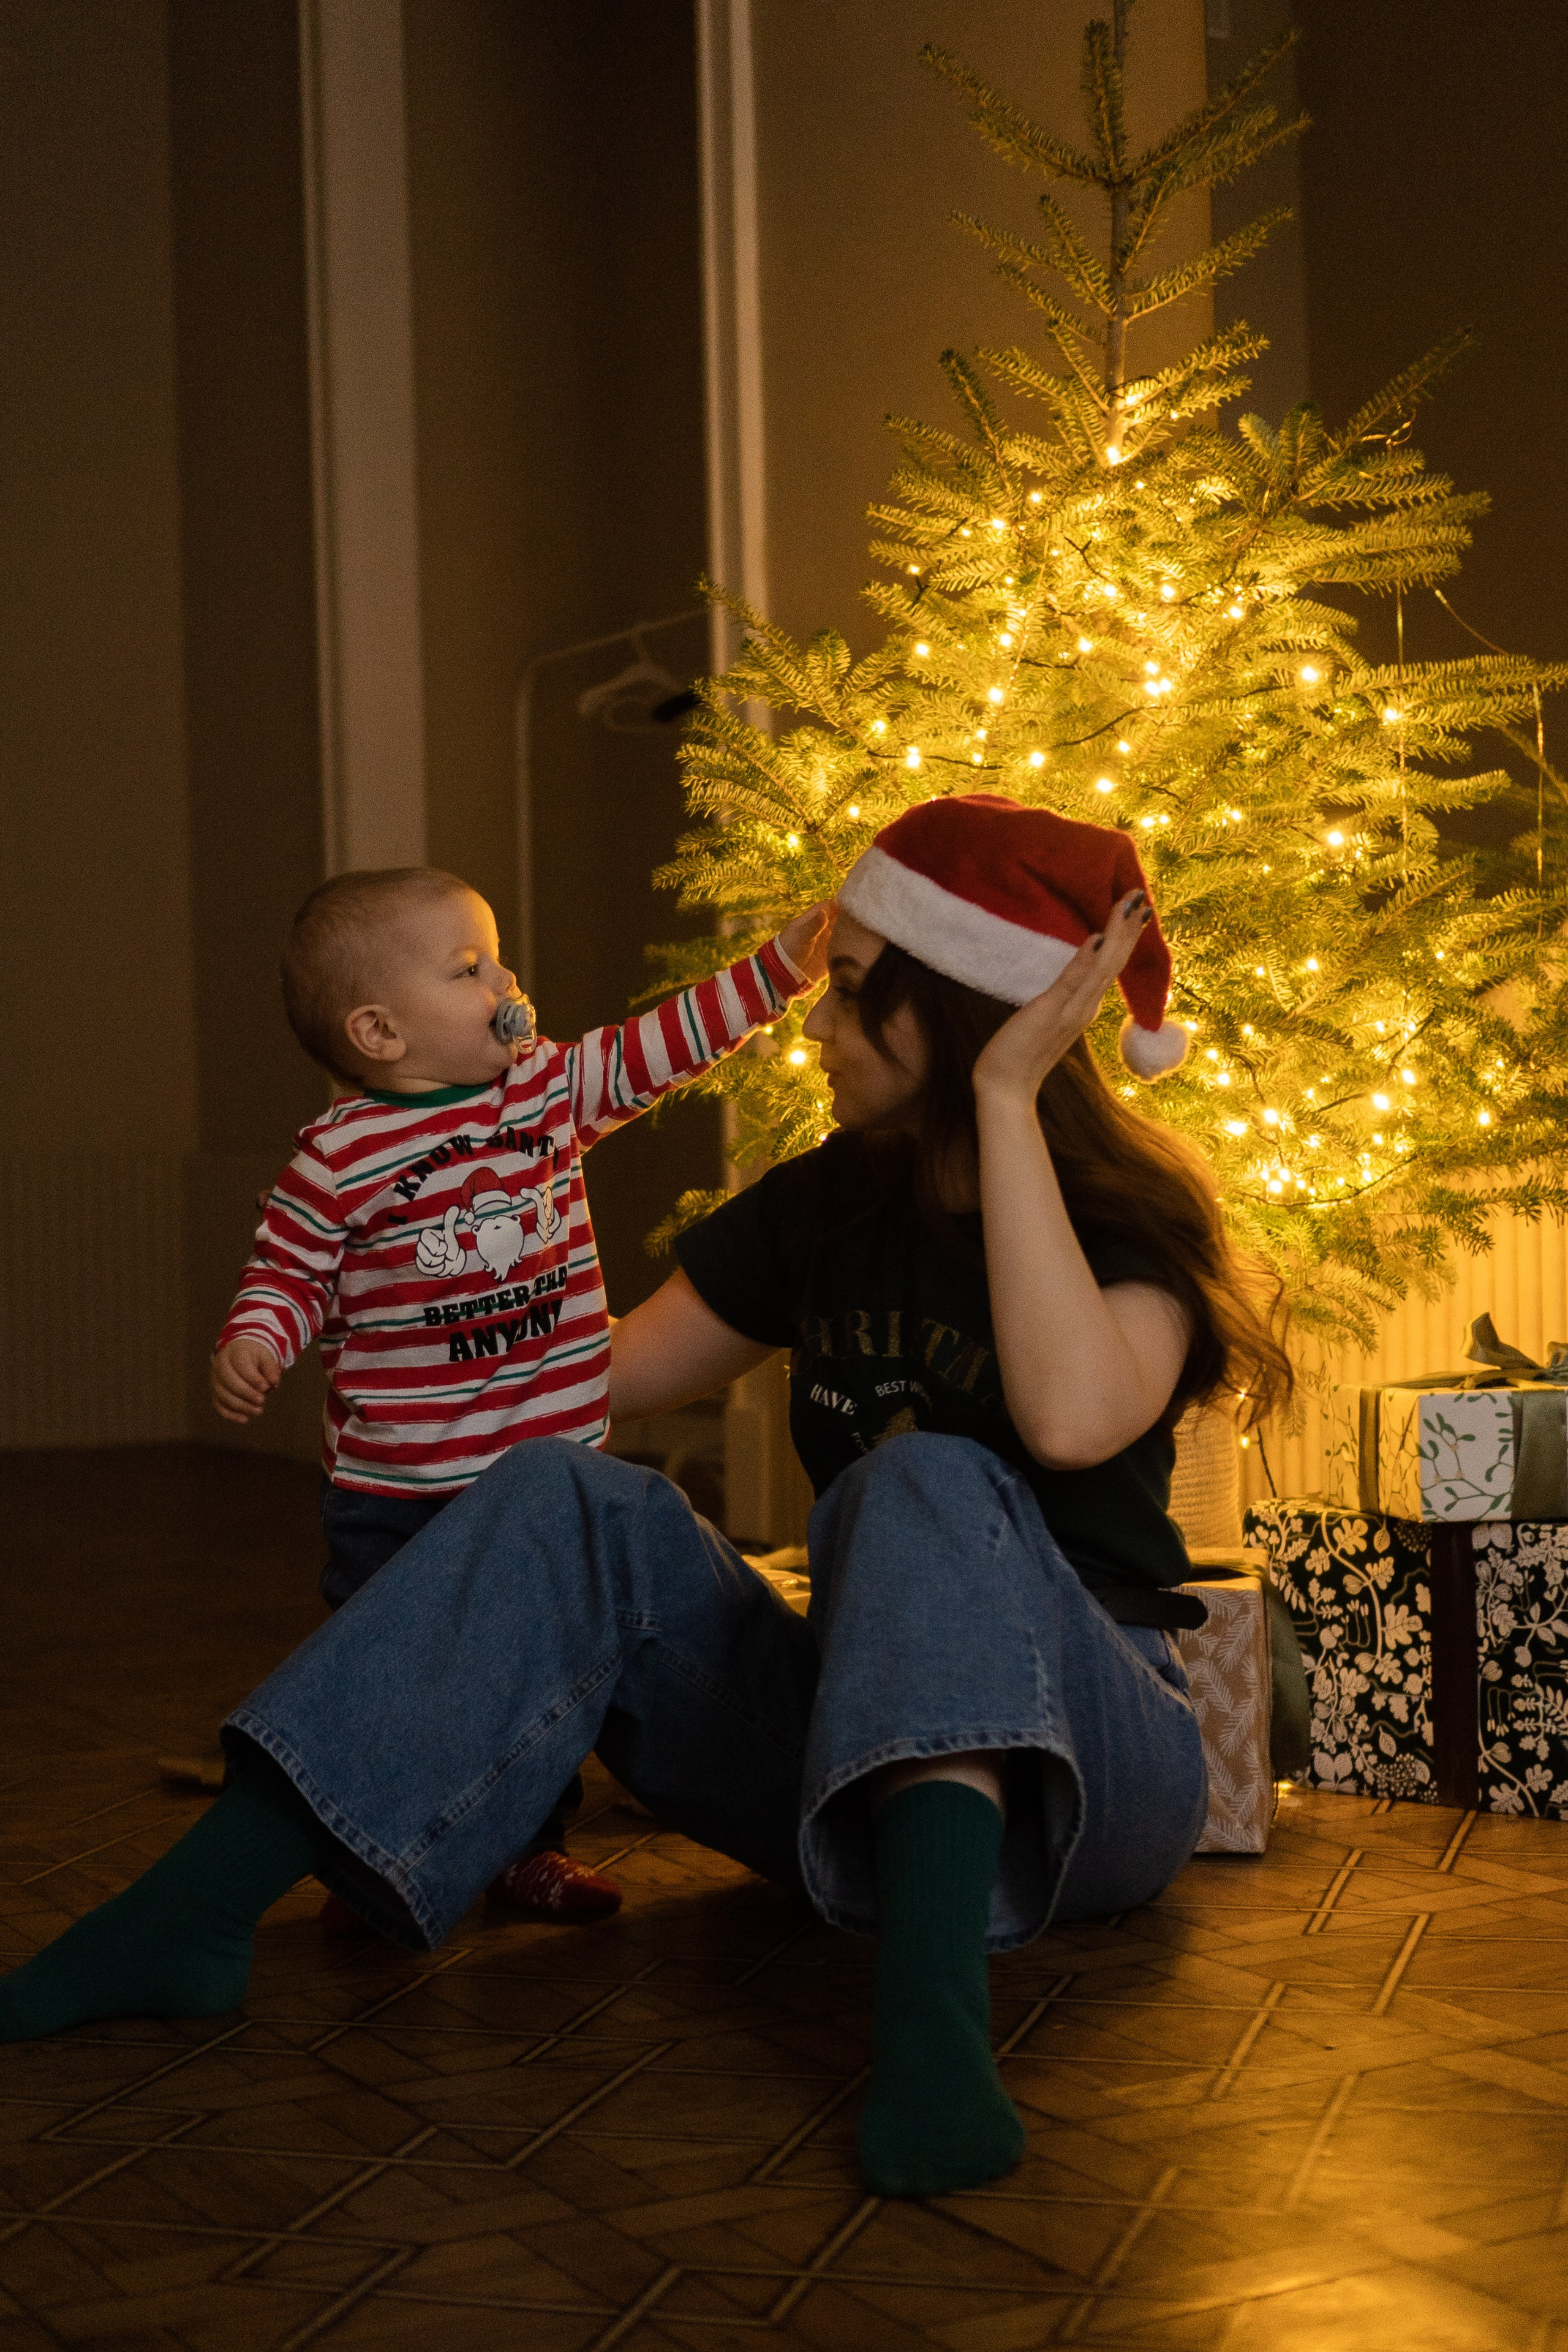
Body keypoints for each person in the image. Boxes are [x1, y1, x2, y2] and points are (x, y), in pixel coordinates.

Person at [0, 799, 1290, 2201]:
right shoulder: (825, 1206)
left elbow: (1066, 1416)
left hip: (1094, 1778)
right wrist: (417, 1327)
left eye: (852, 997)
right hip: (837, 1761)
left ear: (958, 1015)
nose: (816, 1026)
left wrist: (1000, 1104)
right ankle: (190, 1918)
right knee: (563, 1485)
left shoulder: (1132, 1224)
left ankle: (929, 2022)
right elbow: (582, 1382)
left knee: (921, 1473)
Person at [208, 864, 829, 1921]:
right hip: (400, 1494)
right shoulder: (340, 1155)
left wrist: (776, 974)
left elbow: (653, 1052)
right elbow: (288, 1272)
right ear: (380, 1032)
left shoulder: (542, 1090)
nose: (507, 981)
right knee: (414, 1686)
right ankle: (369, 1850)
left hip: (546, 1478)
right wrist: (257, 1338)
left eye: (497, 956)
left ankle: (527, 1846)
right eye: (468, 968)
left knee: (543, 1674)